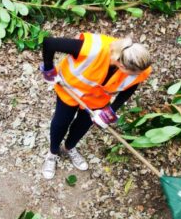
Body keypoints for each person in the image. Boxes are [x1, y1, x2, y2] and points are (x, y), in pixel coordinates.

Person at [38, 33, 152, 179]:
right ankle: (52, 153)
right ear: (121, 64)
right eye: (130, 73)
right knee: (62, 121)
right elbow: (49, 42)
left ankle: (69, 148)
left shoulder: (140, 66)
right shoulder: (94, 49)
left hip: (97, 98)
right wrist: (48, 69)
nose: (135, 76)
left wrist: (111, 110)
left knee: (83, 125)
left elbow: (132, 84)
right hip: (71, 89)